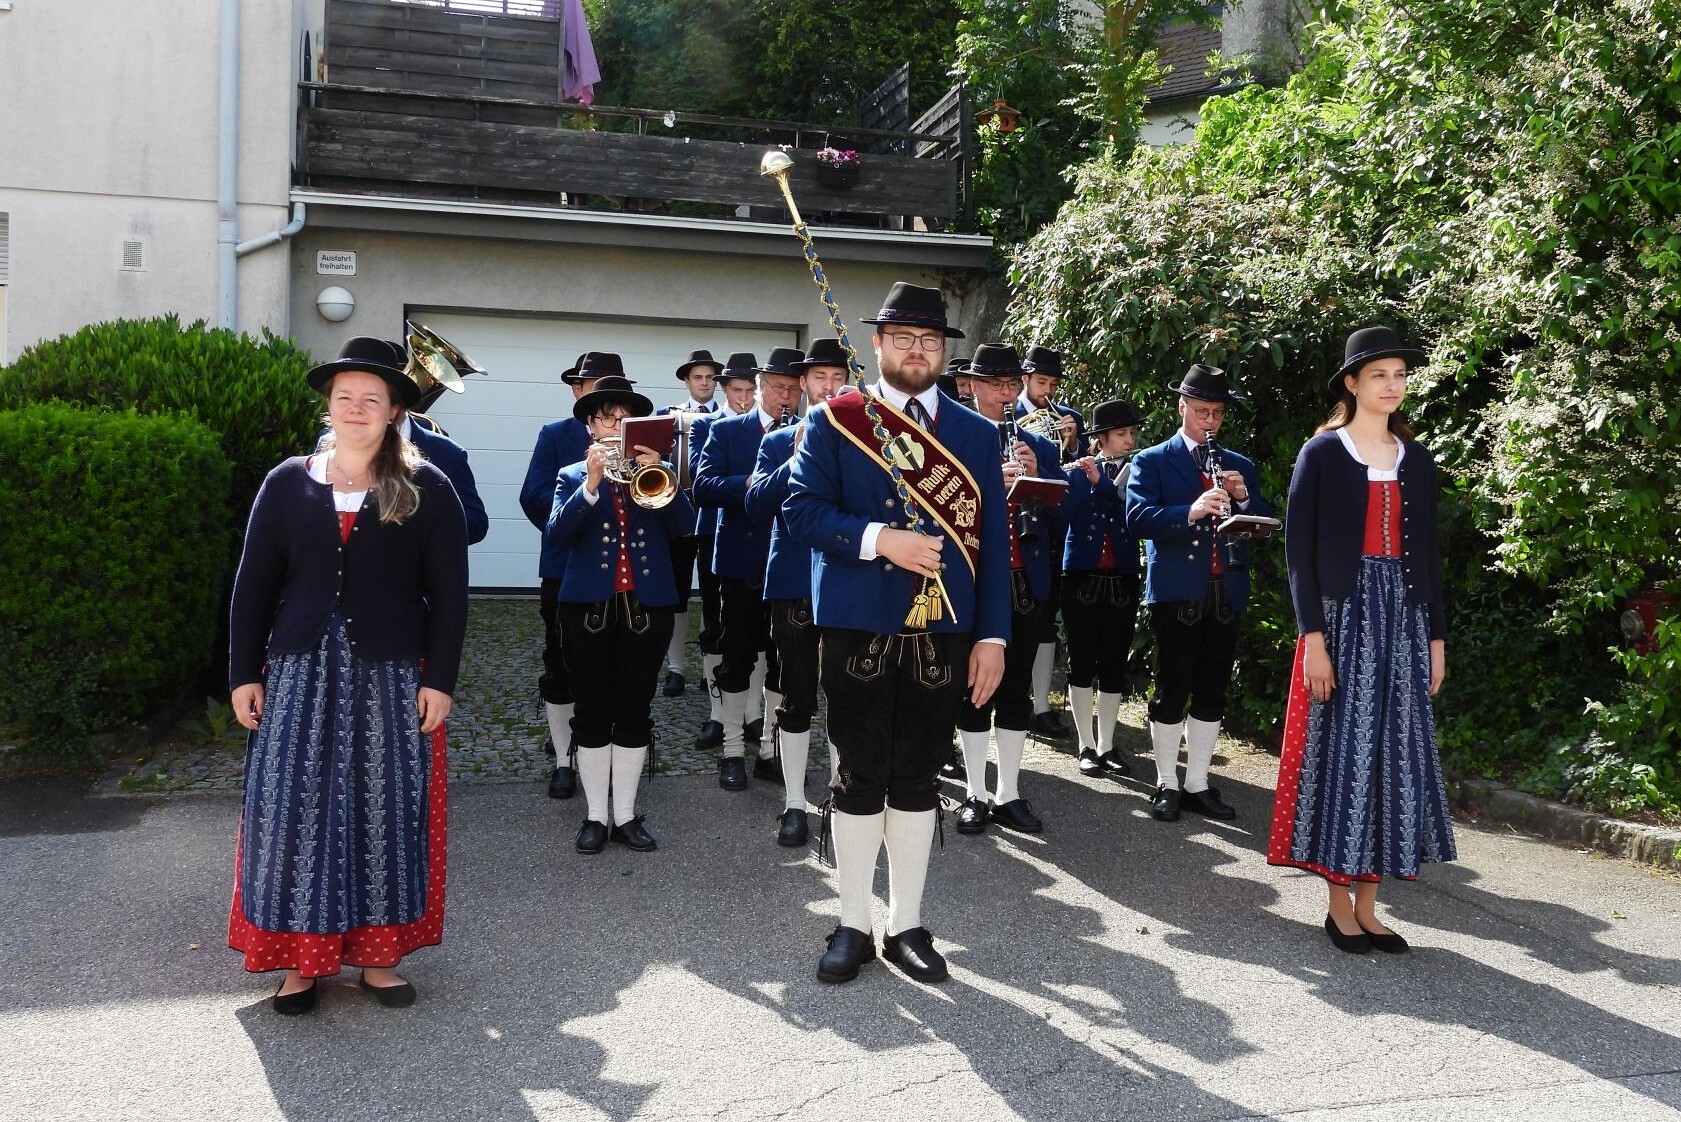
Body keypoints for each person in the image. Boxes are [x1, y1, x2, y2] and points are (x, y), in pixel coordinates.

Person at [227, 336, 469, 1015]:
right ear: (329, 407)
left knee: (382, 807)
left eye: (371, 398)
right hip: (298, 671)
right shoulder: (287, 482)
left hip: (389, 674)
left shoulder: (427, 487)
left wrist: (440, 681)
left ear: (393, 411)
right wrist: (243, 672)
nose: (356, 408)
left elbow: (450, 595)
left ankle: (377, 958)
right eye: (344, 397)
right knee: (291, 810)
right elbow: (252, 586)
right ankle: (298, 965)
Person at [784, 282, 1010, 985]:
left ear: (943, 351)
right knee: (858, 775)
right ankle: (852, 921)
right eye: (904, 339)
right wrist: (881, 539)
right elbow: (801, 511)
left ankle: (906, 923)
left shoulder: (975, 433)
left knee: (916, 777)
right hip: (857, 627)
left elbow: (994, 548)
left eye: (930, 341)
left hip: (945, 630)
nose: (918, 351)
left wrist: (993, 637)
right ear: (877, 344)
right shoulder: (836, 419)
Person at [1268, 327, 1454, 954]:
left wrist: (1435, 639)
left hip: (1404, 620)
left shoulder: (1416, 458)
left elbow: (1429, 557)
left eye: (1399, 375)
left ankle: (1370, 906)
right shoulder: (1322, 452)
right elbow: (1299, 556)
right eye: (1379, 375)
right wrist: (1313, 640)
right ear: (1352, 383)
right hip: (1343, 619)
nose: (1392, 386)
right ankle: (1337, 905)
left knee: (1393, 757)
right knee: (1344, 754)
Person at [547, 374, 697, 854]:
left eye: (624, 419)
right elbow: (557, 535)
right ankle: (595, 815)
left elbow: (686, 527)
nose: (615, 426)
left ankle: (627, 815)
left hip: (646, 608)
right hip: (587, 609)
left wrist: (664, 475)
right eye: (607, 418)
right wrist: (590, 485)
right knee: (592, 709)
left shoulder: (655, 471)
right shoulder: (572, 475)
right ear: (591, 425)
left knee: (635, 707)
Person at [1125, 363, 1273, 822]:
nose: (1210, 421)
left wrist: (1243, 499)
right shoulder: (1152, 460)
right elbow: (1136, 519)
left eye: (1217, 413)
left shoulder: (1238, 464)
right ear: (1182, 407)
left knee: (1212, 689)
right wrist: (1190, 511)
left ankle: (1198, 783)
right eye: (1202, 411)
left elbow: (1263, 523)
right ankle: (1166, 782)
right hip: (1176, 590)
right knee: (1173, 687)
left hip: (1226, 588)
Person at [743, 338, 850, 846]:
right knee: (797, 694)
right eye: (819, 379)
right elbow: (755, 504)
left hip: (848, 580)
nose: (828, 387)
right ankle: (792, 803)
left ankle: (845, 796)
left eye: (838, 378)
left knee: (848, 694)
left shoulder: (864, 441)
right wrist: (795, 454)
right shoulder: (777, 439)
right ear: (803, 385)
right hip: (793, 583)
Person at [953, 343, 1062, 836]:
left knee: (1015, 688)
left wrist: (1037, 476)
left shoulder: (1040, 445)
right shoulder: (955, 439)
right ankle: (974, 793)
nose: (1006, 394)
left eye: (1012, 385)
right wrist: (988, 486)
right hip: (974, 581)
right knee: (974, 689)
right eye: (996, 385)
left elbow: (1068, 514)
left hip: (1025, 580)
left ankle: (1008, 793)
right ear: (974, 387)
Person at [692, 349, 803, 790]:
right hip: (740, 561)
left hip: (786, 564)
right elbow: (703, 487)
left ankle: (770, 751)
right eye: (778, 387)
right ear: (760, 387)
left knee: (782, 662)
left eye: (793, 389)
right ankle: (733, 749)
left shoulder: (807, 432)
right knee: (736, 658)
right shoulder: (726, 429)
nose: (785, 396)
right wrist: (753, 483)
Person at [520, 352, 627, 800]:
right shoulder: (556, 434)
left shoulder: (635, 433)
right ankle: (564, 758)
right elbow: (533, 495)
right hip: (566, 567)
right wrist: (577, 510)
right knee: (561, 662)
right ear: (578, 392)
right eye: (593, 386)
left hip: (619, 574)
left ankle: (610, 755)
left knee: (617, 665)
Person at [1061, 399, 1143, 778]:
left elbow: (1134, 513)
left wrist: (1103, 483)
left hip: (1122, 577)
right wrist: (1076, 473)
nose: (1129, 441)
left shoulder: (1138, 472)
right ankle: (1085, 744)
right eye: (1122, 434)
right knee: (1081, 661)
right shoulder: (1078, 473)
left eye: (1131, 433)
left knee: (1113, 663)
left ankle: (1107, 744)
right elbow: (1062, 515)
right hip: (1081, 576)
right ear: (1102, 438)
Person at [690, 354, 758, 755]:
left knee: (756, 631)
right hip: (715, 533)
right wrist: (746, 482)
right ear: (724, 389)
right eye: (737, 390)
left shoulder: (773, 425)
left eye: (750, 390)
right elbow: (699, 476)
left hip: (756, 538)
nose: (744, 398)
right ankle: (718, 714)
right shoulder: (706, 424)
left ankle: (752, 713)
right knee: (717, 625)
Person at [1016, 346, 1082, 739]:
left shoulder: (1066, 417)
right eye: (1042, 382)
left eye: (1054, 384)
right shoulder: (1008, 415)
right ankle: (1010, 698)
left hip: (1049, 528)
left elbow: (1074, 472)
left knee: (1044, 620)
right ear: (1025, 378)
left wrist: (1072, 445)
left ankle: (1041, 705)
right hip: (1012, 527)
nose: (1048, 391)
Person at [658, 349, 725, 698]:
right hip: (677, 510)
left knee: (713, 592)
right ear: (686, 381)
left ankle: (710, 666)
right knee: (677, 592)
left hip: (714, 512)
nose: (704, 383)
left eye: (710, 377)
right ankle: (676, 668)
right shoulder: (666, 415)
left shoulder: (729, 416)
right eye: (698, 377)